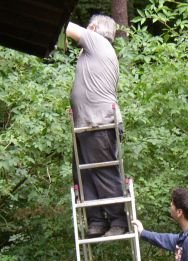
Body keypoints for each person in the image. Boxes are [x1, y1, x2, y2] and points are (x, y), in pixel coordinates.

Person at [66, 15, 128, 238]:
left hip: (98, 122)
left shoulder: (98, 42)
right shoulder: (97, 50)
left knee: (103, 172)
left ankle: (119, 221)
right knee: (83, 176)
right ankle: (96, 222)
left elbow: (66, 26)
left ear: (93, 28)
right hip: (86, 123)